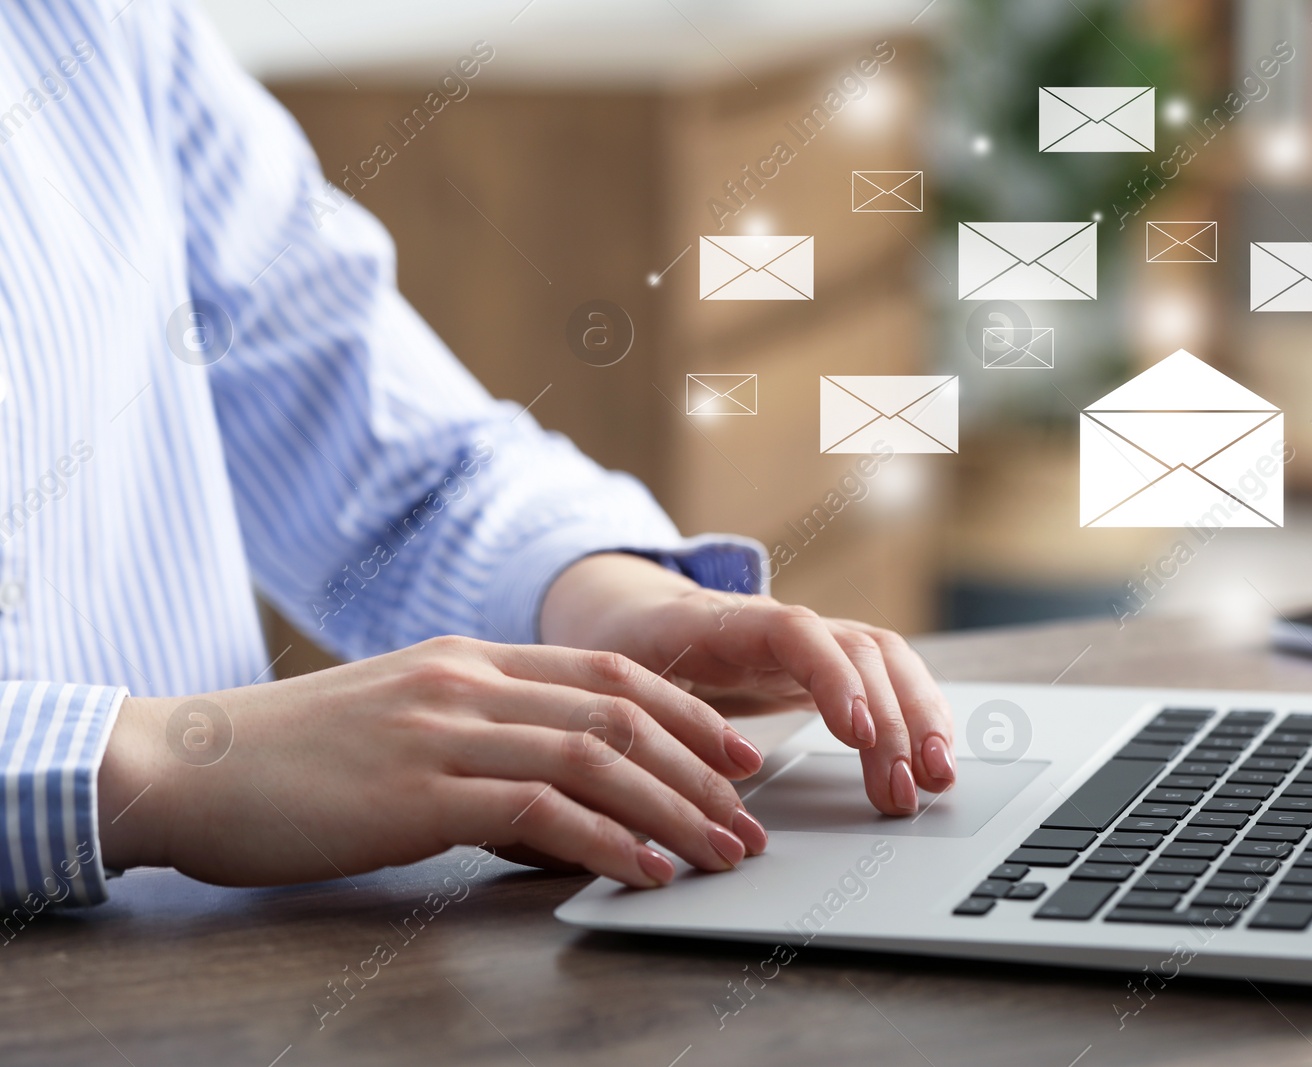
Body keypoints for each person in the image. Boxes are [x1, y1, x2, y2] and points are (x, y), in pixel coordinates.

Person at [0, 0, 953, 911]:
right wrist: (150, 763)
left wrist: (607, 598)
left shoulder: (102, 24)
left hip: (208, 963)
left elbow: (385, 447)